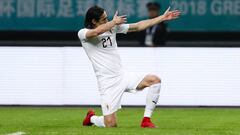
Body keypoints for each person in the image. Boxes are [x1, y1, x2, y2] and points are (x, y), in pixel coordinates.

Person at [78, 5, 180, 128]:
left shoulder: (112, 28)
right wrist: (113, 22)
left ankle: (146, 120)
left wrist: (162, 18)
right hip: (107, 83)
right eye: (103, 19)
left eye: (107, 18)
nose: (107, 20)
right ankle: (92, 118)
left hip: (122, 76)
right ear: (94, 21)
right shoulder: (83, 33)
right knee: (111, 124)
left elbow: (138, 26)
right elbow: (96, 32)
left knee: (154, 80)